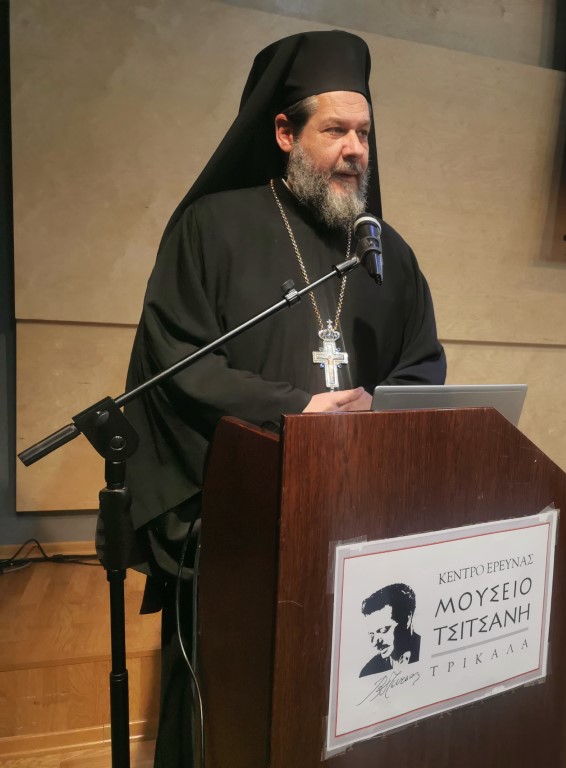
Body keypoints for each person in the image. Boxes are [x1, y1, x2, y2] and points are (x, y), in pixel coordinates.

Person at [123, 30, 446, 767]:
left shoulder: (386, 255)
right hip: (248, 512)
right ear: (283, 132)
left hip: (361, 519)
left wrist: (378, 413)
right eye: (335, 131)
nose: (355, 149)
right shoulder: (212, 228)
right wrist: (296, 411)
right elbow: (176, 358)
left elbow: (423, 364)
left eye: (364, 133)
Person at [359, 583, 422, 677]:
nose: (375, 643)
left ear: (407, 619)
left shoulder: (429, 647)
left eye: (383, 630)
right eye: (372, 635)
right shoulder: (368, 671)